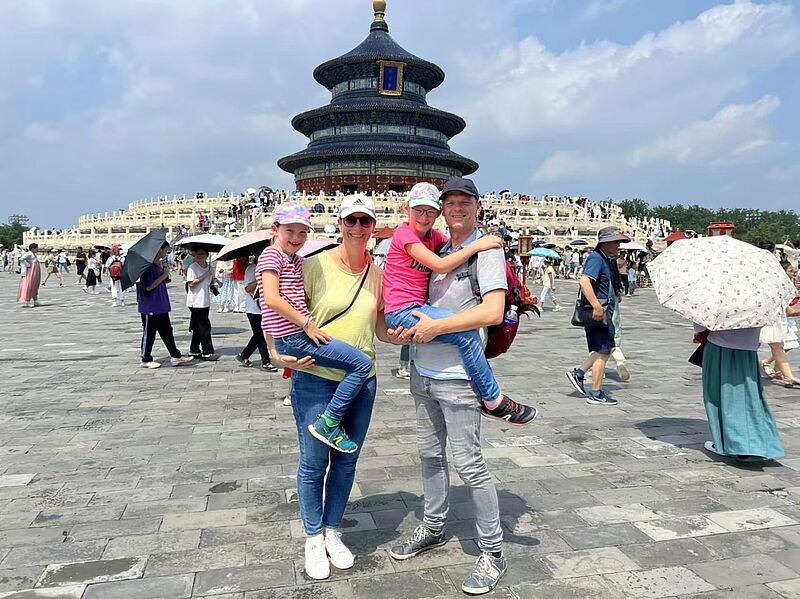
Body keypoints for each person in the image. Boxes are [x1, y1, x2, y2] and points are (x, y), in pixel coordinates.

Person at [389, 177, 530, 595]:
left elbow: (492, 312)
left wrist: (438, 327)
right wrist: (401, 333)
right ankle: (433, 526)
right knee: (430, 457)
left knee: (469, 464)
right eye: (448, 202)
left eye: (463, 201)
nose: (455, 208)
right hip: (424, 373)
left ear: (477, 206)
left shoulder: (486, 250)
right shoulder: (435, 248)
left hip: (459, 379)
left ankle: (493, 551)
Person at [267, 194, 399, 581]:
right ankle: (312, 536)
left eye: (364, 222)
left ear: (373, 227)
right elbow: (272, 306)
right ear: (339, 224)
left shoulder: (378, 274)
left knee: (345, 461)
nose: (357, 228)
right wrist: (275, 353)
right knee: (313, 463)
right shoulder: (312, 265)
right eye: (350, 221)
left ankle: (332, 531)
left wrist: (417, 335)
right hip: (316, 378)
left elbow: (380, 329)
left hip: (361, 383)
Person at [383, 182, 532, 419]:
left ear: (438, 213)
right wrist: (477, 245)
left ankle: (491, 397)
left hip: (452, 372)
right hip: (404, 312)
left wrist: (479, 242)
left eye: (430, 211)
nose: (424, 217)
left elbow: (492, 311)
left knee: (465, 333)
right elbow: (441, 265)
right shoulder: (404, 234)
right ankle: (493, 399)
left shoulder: (436, 240)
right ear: (406, 209)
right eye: (418, 210)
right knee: (465, 334)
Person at [258, 201, 373, 454]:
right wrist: (306, 325)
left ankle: (330, 421)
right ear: (275, 229)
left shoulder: (295, 260)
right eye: (289, 231)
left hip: (293, 335)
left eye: (302, 232)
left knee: (359, 364)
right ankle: (329, 422)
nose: (296, 238)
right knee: (362, 364)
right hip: (295, 335)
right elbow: (271, 300)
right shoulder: (271, 255)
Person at [698, 324, 785, 463]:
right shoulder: (759, 309)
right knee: (749, 396)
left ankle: (729, 444)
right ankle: (755, 442)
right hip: (748, 348)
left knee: (718, 395)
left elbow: (700, 325)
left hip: (719, 345)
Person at [566, 226, 629, 406]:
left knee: (605, 349)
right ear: (605, 243)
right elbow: (584, 281)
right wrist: (596, 306)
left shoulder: (606, 259)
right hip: (599, 313)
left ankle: (579, 373)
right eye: (615, 242)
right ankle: (595, 393)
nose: (618, 245)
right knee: (603, 351)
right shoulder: (596, 258)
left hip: (605, 312)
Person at [139, 241, 194, 369]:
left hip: (161, 304)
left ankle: (175, 356)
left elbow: (164, 280)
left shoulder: (158, 264)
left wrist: (164, 273)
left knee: (167, 331)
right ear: (159, 250)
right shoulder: (147, 266)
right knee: (149, 333)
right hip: (150, 305)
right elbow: (148, 286)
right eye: (165, 249)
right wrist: (163, 275)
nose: (167, 252)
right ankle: (145, 358)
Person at [761, 262, 800, 387]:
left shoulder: (784, 284)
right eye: (790, 271)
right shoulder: (776, 285)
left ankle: (783, 373)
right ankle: (783, 373)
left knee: (779, 346)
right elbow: (787, 307)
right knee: (778, 346)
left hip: (777, 319)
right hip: (771, 319)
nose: (792, 274)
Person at [236, 254, 277, 372]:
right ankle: (266, 361)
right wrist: (261, 278)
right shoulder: (251, 269)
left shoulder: (271, 268)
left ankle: (244, 355)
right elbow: (247, 288)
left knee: (259, 334)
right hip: (253, 308)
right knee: (261, 335)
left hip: (266, 306)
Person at [186, 248, 220, 361]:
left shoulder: (210, 268)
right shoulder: (192, 267)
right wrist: (205, 275)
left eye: (202, 254)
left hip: (205, 301)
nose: (199, 256)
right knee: (205, 327)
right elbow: (191, 283)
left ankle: (194, 350)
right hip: (195, 302)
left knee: (197, 327)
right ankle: (207, 351)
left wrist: (215, 282)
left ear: (207, 255)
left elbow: (209, 283)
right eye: (197, 254)